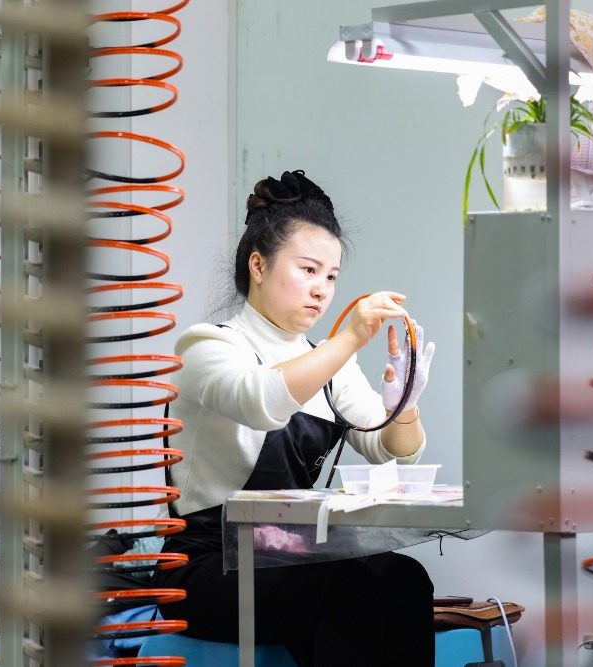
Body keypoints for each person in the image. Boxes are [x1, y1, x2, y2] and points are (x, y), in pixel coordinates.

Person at [153, 169, 437, 666]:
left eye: (330, 276)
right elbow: (259, 400)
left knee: (405, 578)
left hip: (289, 559)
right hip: (209, 567)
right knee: (346, 587)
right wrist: (346, 339)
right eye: (308, 270)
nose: (322, 290)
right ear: (258, 265)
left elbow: (392, 449)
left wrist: (406, 403)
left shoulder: (328, 361)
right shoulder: (207, 345)